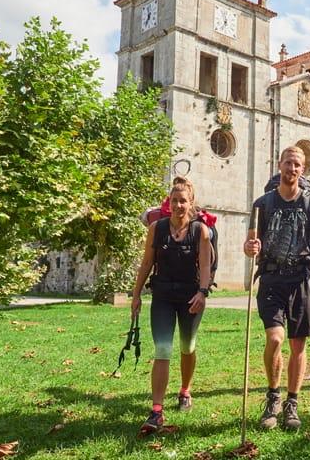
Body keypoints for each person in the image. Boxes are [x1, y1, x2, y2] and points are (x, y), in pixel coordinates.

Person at [243, 146, 310, 431]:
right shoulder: (262, 204)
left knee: (298, 345)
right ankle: (273, 396)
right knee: (276, 339)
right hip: (271, 278)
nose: (292, 169)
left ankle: (292, 403)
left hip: (302, 279)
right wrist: (250, 247)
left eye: (297, 165)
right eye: (288, 163)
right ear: (279, 165)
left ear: (302, 170)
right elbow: (250, 243)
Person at [131, 176, 213, 433]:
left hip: (191, 297)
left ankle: (185, 390)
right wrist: (135, 296)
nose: (179, 205)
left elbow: (206, 265)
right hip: (163, 296)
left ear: (191, 204)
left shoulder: (200, 231)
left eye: (183, 201)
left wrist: (202, 293)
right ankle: (156, 411)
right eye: (174, 201)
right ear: (169, 203)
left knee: (188, 346)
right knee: (163, 348)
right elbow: (146, 263)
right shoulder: (157, 228)